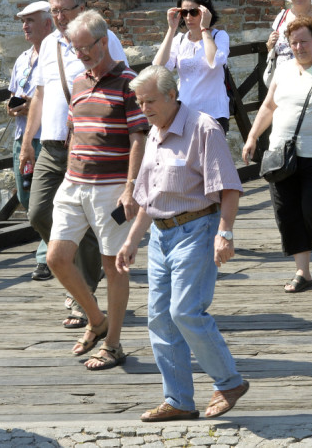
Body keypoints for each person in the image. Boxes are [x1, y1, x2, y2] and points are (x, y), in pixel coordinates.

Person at [117, 65, 249, 422]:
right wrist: (132, 240)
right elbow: (149, 198)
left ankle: (229, 382)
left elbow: (229, 187)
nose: (143, 108)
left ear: (172, 95)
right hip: (161, 236)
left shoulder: (204, 128)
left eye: (149, 101)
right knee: (160, 319)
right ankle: (178, 400)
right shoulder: (154, 132)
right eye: (139, 102)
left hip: (197, 229)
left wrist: (225, 232)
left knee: (185, 312)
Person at [19, 0, 129, 331]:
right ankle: (81, 266)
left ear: (81, 8)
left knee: (91, 224)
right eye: (53, 10)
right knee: (37, 211)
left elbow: (121, 84)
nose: (58, 16)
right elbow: (40, 94)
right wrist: (28, 142)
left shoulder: (102, 39)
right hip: (51, 143)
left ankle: (85, 298)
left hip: (85, 145)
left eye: (63, 9)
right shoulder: (49, 43)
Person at [46, 10, 149, 370]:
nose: (81, 55)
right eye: (75, 49)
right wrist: (69, 171)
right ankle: (96, 319)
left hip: (111, 187)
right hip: (74, 183)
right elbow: (74, 131)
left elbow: (139, 138)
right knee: (56, 258)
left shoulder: (128, 82)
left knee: (113, 265)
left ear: (104, 42)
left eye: (86, 47)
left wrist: (130, 187)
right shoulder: (77, 81)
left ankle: (114, 344)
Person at [242, 16, 312, 293]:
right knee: (287, 211)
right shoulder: (283, 70)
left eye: (304, 41)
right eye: (294, 43)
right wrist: (252, 137)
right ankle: (303, 272)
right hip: (281, 154)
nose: (299, 47)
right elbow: (268, 106)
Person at [8, 1, 54, 281]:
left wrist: (33, 107)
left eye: (30, 21)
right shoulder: (22, 59)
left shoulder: (57, 56)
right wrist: (15, 106)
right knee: (26, 198)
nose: (25, 26)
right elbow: (13, 96)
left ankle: (47, 257)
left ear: (47, 23)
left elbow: (60, 102)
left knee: (44, 202)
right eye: (23, 21)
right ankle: (57, 250)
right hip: (22, 138)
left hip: (48, 139)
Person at [152, 0, 231, 132]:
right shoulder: (180, 40)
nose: (188, 17)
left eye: (194, 12)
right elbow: (158, 67)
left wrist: (204, 29)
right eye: (184, 12)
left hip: (213, 113)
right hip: (184, 114)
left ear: (205, 12)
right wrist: (171, 29)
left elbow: (215, 62)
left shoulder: (219, 36)